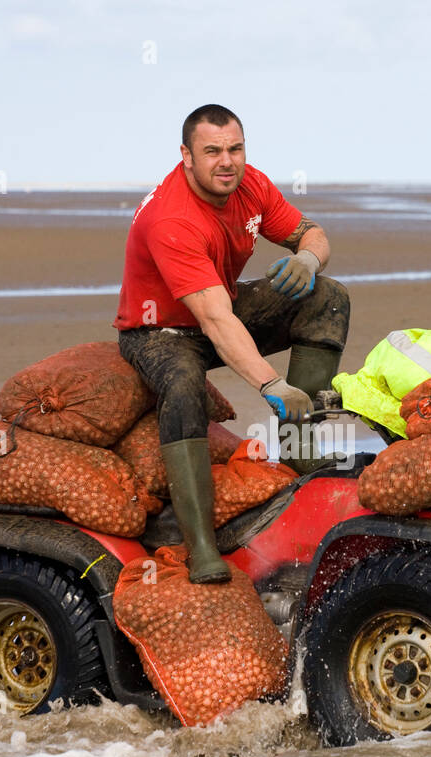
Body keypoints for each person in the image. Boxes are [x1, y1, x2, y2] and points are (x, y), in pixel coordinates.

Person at [114, 103, 349, 584]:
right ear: (186, 156)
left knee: (326, 297)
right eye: (213, 151)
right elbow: (216, 321)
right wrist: (272, 385)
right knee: (183, 385)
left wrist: (307, 260)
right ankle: (200, 545)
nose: (227, 161)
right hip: (158, 331)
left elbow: (315, 233)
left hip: (218, 303)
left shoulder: (252, 185)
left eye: (235, 148)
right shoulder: (172, 219)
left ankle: (299, 449)